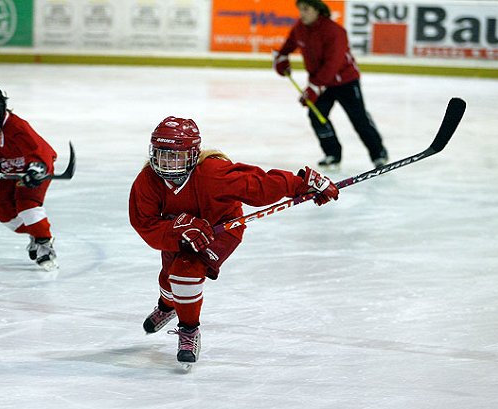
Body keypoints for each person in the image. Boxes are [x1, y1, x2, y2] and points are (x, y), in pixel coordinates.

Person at [128, 116, 339, 365]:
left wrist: (302, 184)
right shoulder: (147, 181)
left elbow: (259, 185)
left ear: (193, 154)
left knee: (186, 272)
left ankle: (188, 330)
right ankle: (167, 305)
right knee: (169, 277)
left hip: (221, 228)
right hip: (179, 232)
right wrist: (178, 231)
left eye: (176, 156)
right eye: (163, 154)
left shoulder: (212, 173)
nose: (167, 163)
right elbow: (145, 223)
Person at [272, 0, 388, 169]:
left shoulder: (335, 31)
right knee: (317, 115)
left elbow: (332, 64)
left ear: (318, 10)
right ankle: (332, 153)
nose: (301, 13)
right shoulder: (300, 28)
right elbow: (288, 46)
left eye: (306, 9)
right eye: (300, 9)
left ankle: (378, 153)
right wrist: (281, 58)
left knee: (358, 118)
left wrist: (313, 88)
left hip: (345, 81)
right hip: (321, 81)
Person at [0, 84, 58, 270]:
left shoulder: (18, 128)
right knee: (3, 211)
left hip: (35, 167)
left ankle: (44, 244)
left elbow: (41, 153)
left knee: (27, 205)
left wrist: (37, 169)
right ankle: (36, 231)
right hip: (10, 167)